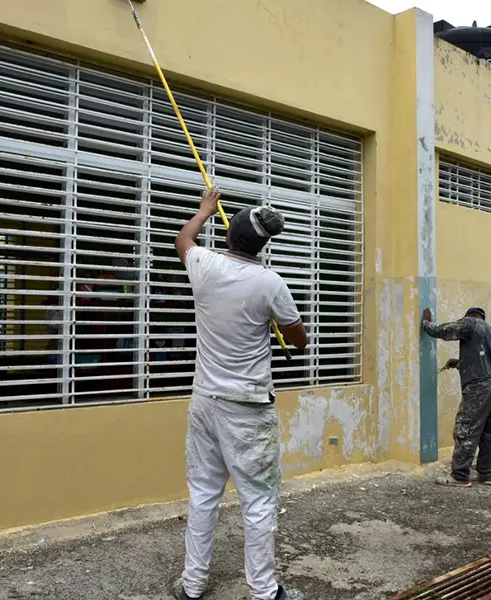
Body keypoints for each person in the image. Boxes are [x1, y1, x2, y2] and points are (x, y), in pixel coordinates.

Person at [172, 187, 307, 600]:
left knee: (204, 496)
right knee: (259, 500)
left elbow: (183, 239)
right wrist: (269, 322)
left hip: (205, 403)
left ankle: (192, 586)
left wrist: (204, 210)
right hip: (247, 408)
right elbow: (298, 340)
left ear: (230, 236)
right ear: (262, 244)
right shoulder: (269, 283)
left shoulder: (205, 265)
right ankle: (265, 592)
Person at [421, 306, 491, 487]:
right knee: (489, 433)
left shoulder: (470, 323)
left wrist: (427, 324)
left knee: (466, 429)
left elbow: (445, 331)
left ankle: (460, 476)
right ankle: (487, 474)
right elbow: (485, 361)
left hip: (479, 389)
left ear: (468, 316)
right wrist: (460, 363)